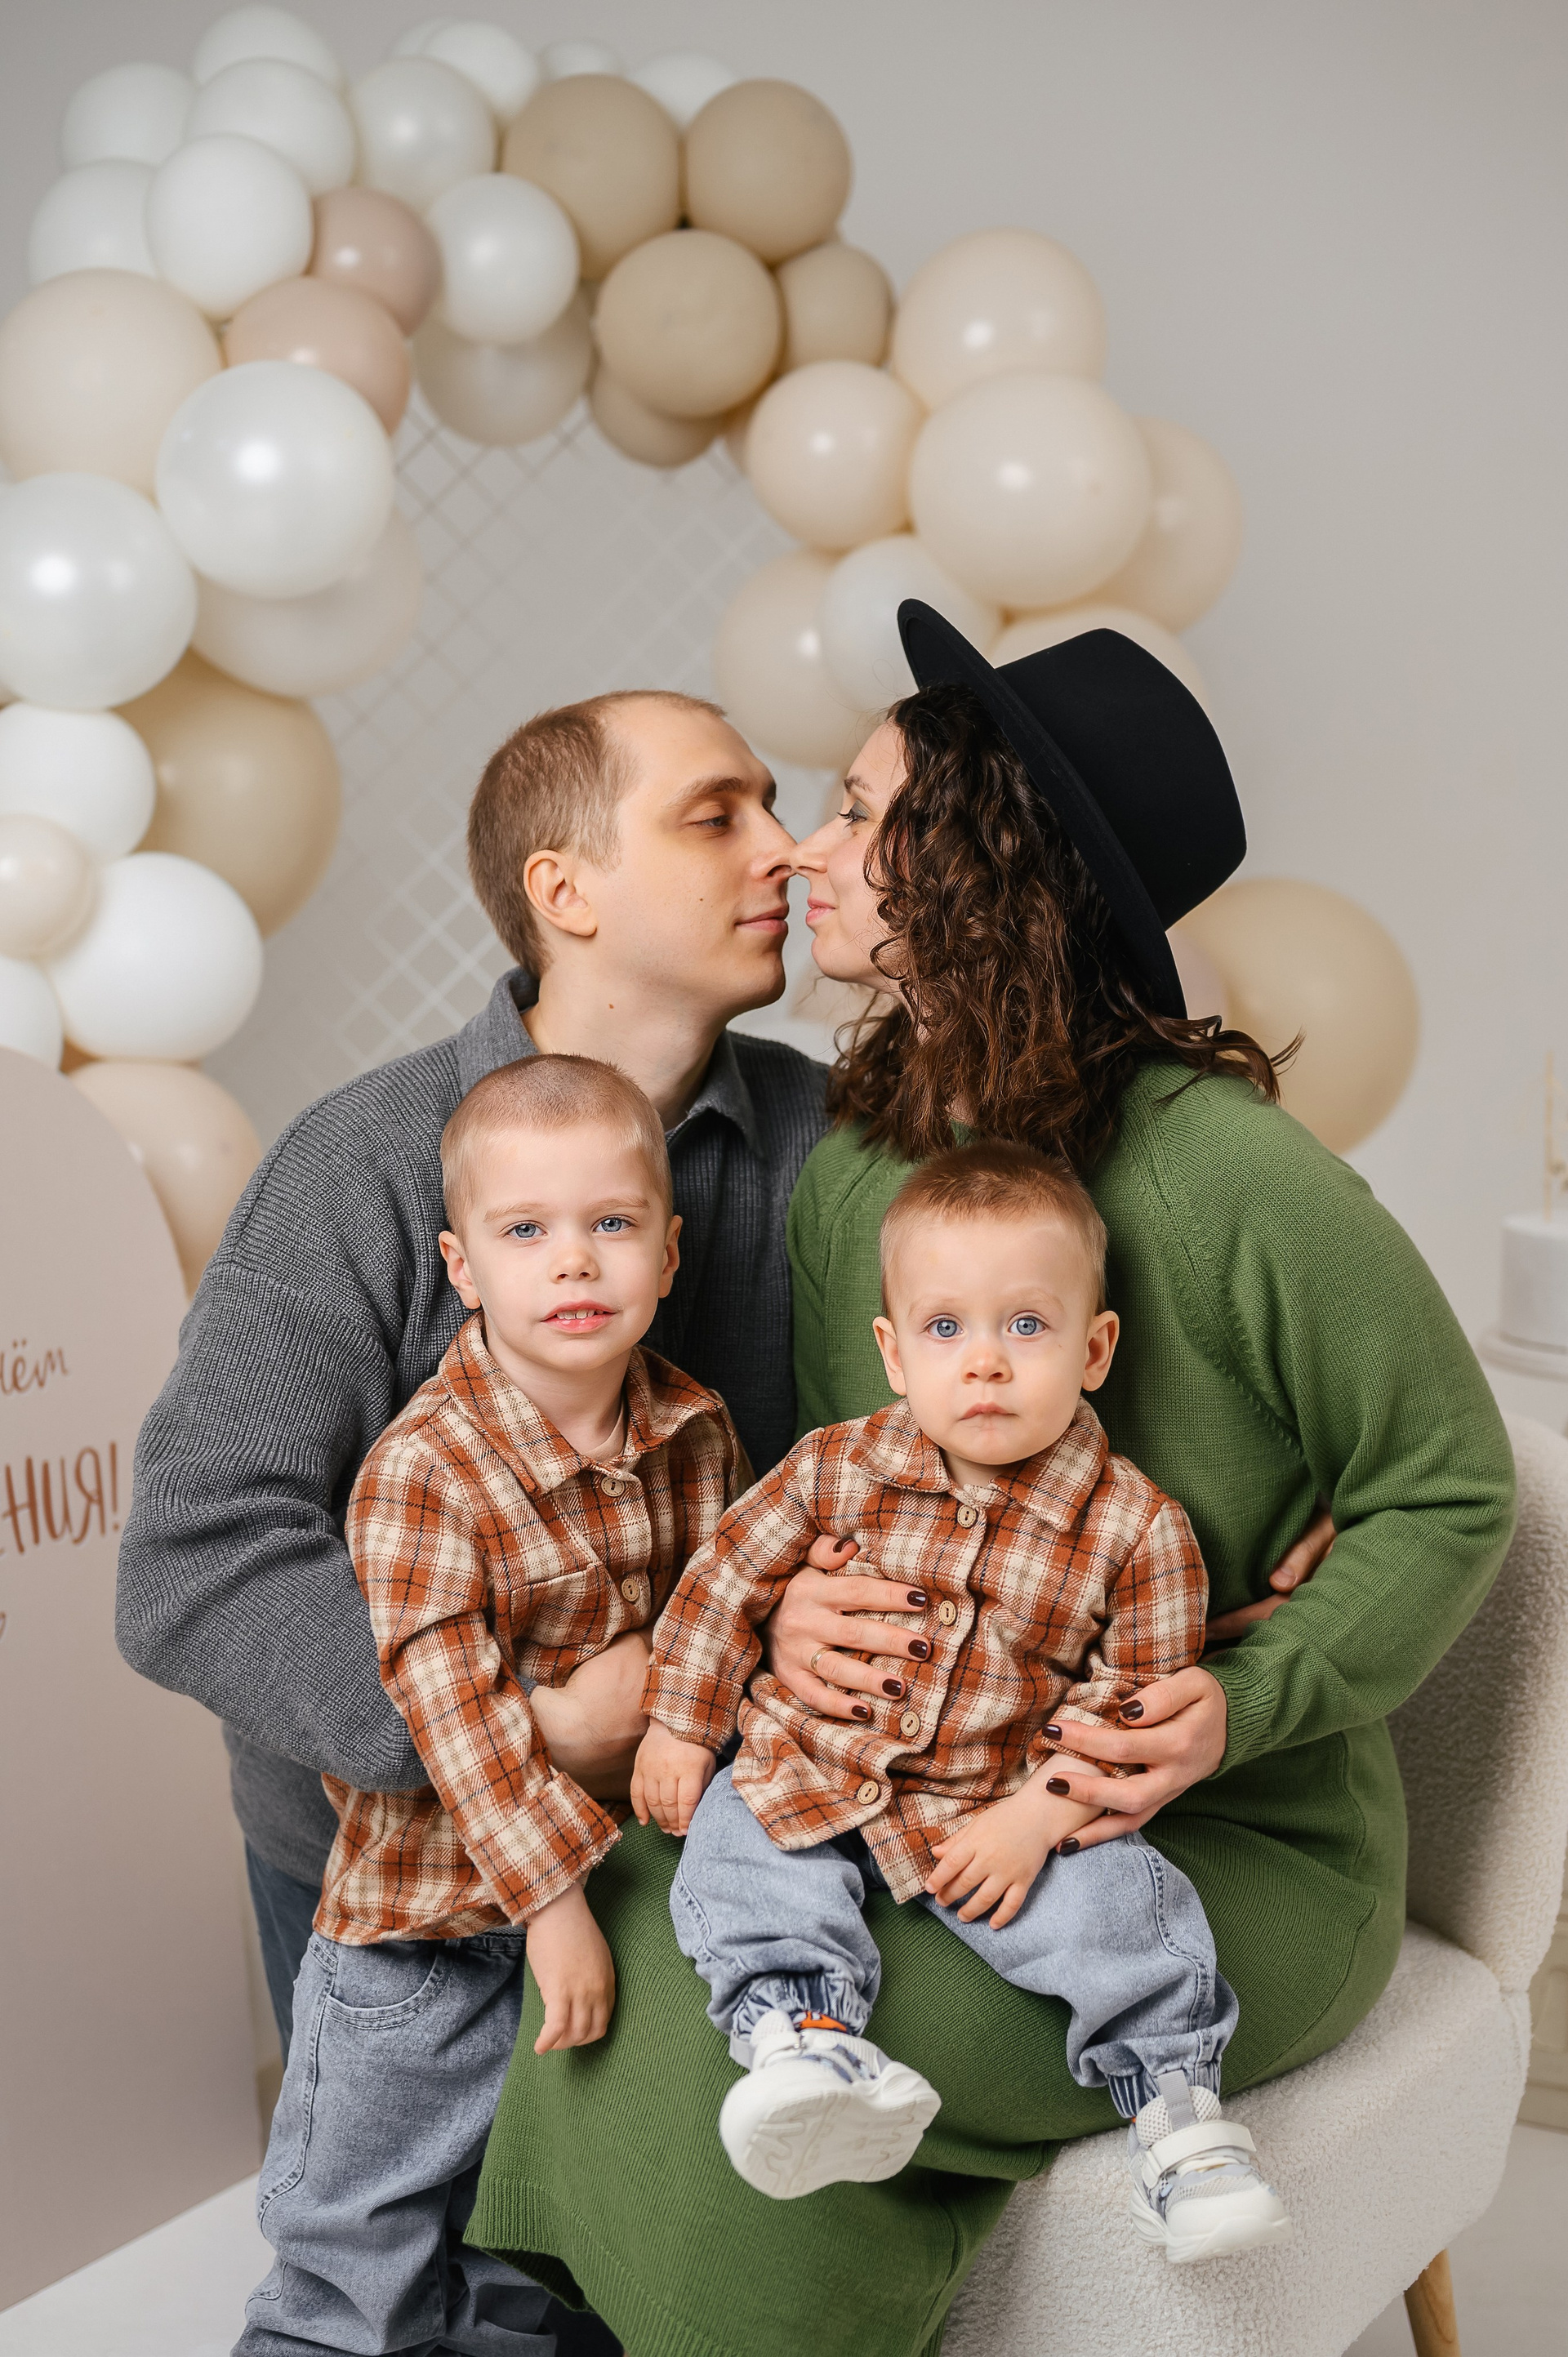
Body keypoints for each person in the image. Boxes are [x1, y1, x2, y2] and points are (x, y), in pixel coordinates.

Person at [466, 612, 1515, 2357]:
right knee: (652, 1923)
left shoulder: (1233, 1176)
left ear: (981, 864)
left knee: (807, 2060)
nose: (806, 851)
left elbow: (1452, 1487)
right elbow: (849, 1485)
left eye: (860, 813)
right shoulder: (856, 1169)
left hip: (1217, 1838)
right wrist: (795, 1620)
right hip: (919, 1774)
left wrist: (1247, 1693)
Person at [117, 688, 834, 2065]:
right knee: (399, 2211)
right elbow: (193, 1561)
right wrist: (529, 1736)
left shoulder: (833, 1142)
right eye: (716, 816)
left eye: (774, 804)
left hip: (710, 1849)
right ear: (564, 892)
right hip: (400, 1892)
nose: (784, 848)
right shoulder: (356, 1164)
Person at [635, 1141, 1291, 2265]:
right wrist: (680, 1723)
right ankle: (803, 2041)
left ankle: (1182, 2123)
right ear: (893, 1353)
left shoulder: (1136, 1527)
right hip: (815, 1763)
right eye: (945, 1328)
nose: (985, 1362)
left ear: (1094, 1350)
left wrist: (1041, 1815)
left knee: (1122, 1905)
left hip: (996, 1798)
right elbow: (724, 1581)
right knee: (738, 1844)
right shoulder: (833, 1468)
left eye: (1026, 1326)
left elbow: (1131, 1707)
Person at [237, 1055, 747, 2357]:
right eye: (527, 1231)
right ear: (464, 1268)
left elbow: (721, 1619)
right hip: (426, 1935)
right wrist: (553, 1904)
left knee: (527, 2264)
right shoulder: (425, 1470)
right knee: (354, 2266)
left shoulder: (695, 1430)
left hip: (610, 1912)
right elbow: (451, 1713)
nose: (573, 1261)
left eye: (611, 1223)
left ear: (667, 1253)